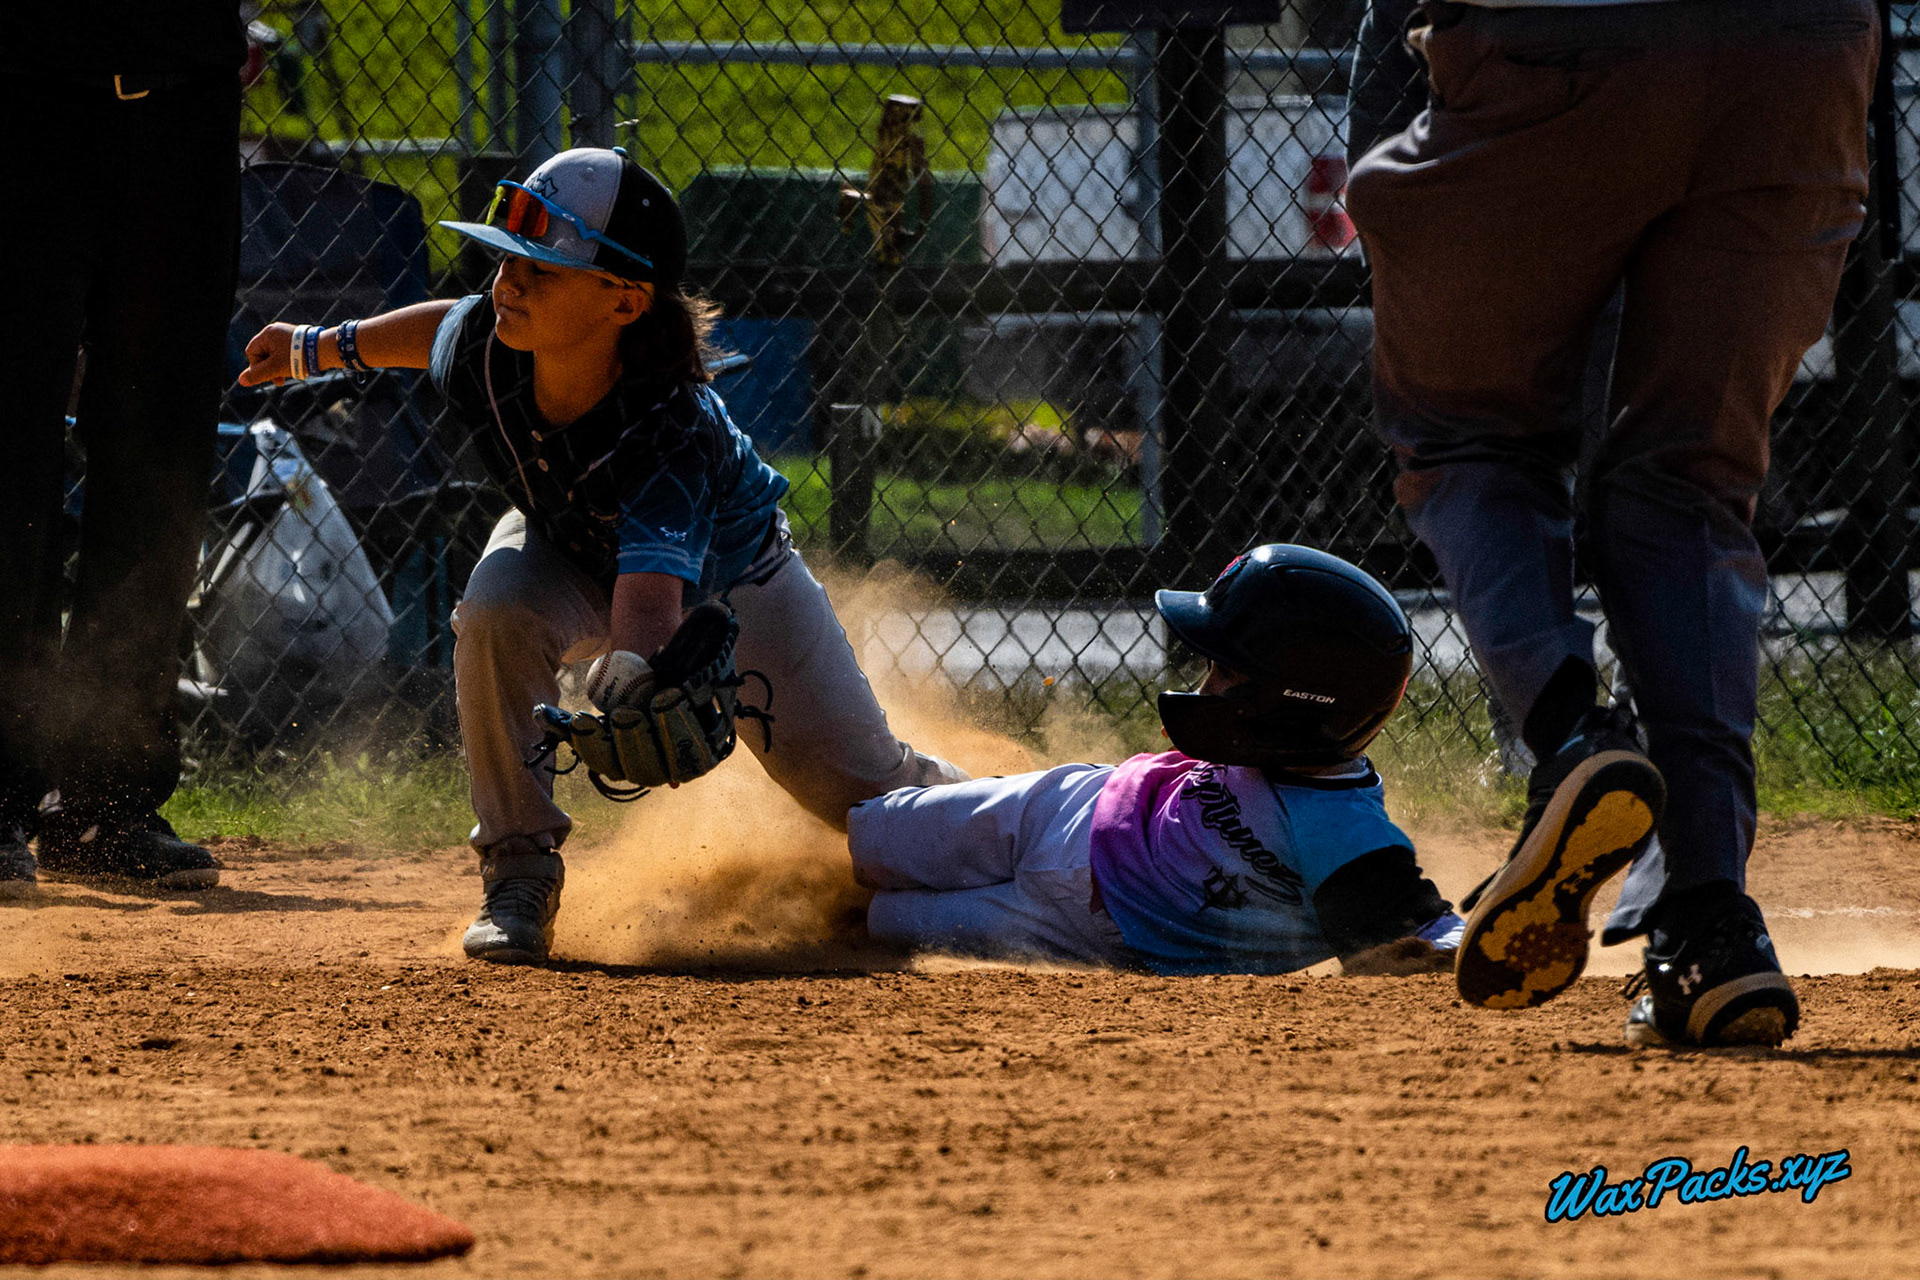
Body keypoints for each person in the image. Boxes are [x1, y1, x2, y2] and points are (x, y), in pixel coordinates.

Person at [240, 146, 964, 963]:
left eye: (541, 271)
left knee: (869, 802)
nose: (508, 281)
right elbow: (434, 328)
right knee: (497, 604)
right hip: (565, 546)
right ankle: (518, 875)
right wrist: (314, 348)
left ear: (623, 301)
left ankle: (1035, 830)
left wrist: (626, 676)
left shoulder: (666, 430)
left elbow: (650, 606)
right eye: (508, 258)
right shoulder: (491, 338)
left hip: (735, 588)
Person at [1344, 0, 1876, 1045]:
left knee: (1466, 431)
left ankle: (1572, 739)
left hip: (1561, 40)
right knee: (1688, 482)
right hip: (1802, 58)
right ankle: (1710, 922)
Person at [847, 545, 1463, 975]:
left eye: (1226, 672)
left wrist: (1497, 934)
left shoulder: (1346, 834)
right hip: (1069, 805)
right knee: (872, 833)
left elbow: (1423, 933)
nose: (1204, 686)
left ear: (1293, 704)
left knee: (878, 919)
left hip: (1083, 926)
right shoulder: (1281, 748)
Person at [0, 4, 246, 896]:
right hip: (25, 109)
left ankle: (108, 804)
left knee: (159, 456)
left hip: (185, 116)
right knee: (9, 468)